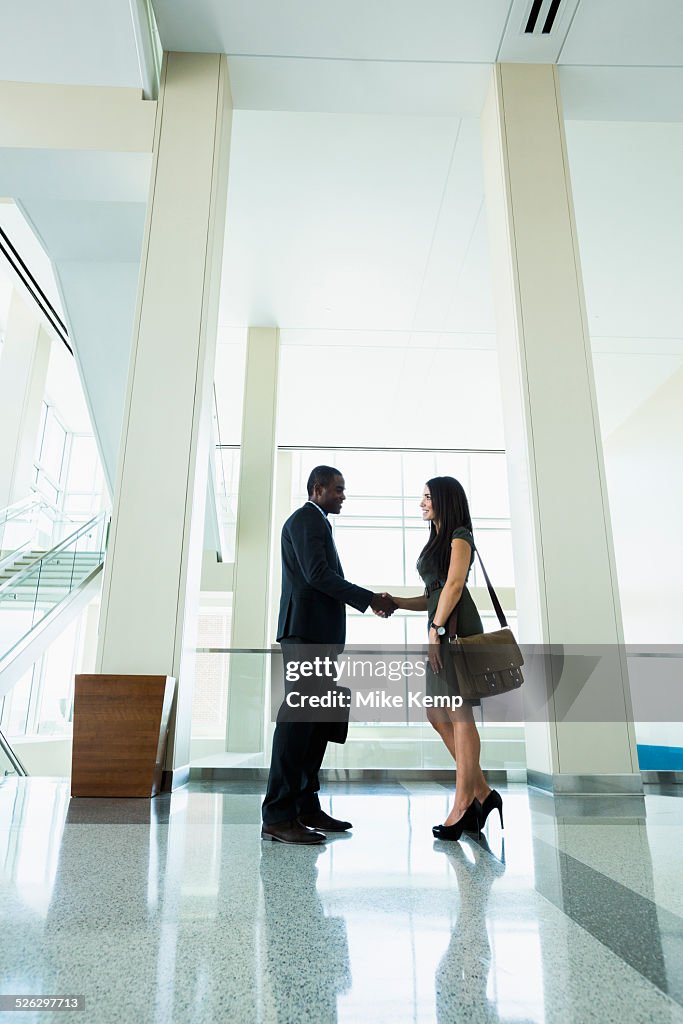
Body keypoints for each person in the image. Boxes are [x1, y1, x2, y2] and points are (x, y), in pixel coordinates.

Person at [261, 465, 396, 845]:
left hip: (316, 637)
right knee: (298, 722)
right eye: (338, 489)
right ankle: (277, 815)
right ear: (317, 488)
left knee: (317, 722)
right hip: (305, 636)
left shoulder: (316, 521)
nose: (342, 495)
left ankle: (304, 805)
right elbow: (318, 574)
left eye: (343, 489)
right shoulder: (307, 519)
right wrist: (369, 600)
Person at [385, 476, 502, 840]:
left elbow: (454, 587)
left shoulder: (460, 536)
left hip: (454, 630)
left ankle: (463, 803)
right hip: (439, 627)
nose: (421, 503)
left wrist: (435, 631)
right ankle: (483, 792)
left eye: (426, 498)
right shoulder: (436, 540)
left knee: (457, 711)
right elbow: (432, 594)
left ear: (444, 501)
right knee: (437, 713)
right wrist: (397, 603)